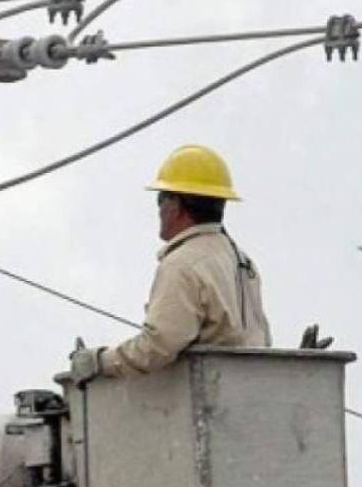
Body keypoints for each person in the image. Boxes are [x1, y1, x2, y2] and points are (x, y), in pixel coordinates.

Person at [71, 144, 271, 384]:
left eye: (161, 199)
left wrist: (98, 361)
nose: (158, 210)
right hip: (249, 391)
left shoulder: (182, 264)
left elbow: (158, 346)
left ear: (175, 206)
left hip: (206, 395)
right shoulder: (242, 261)